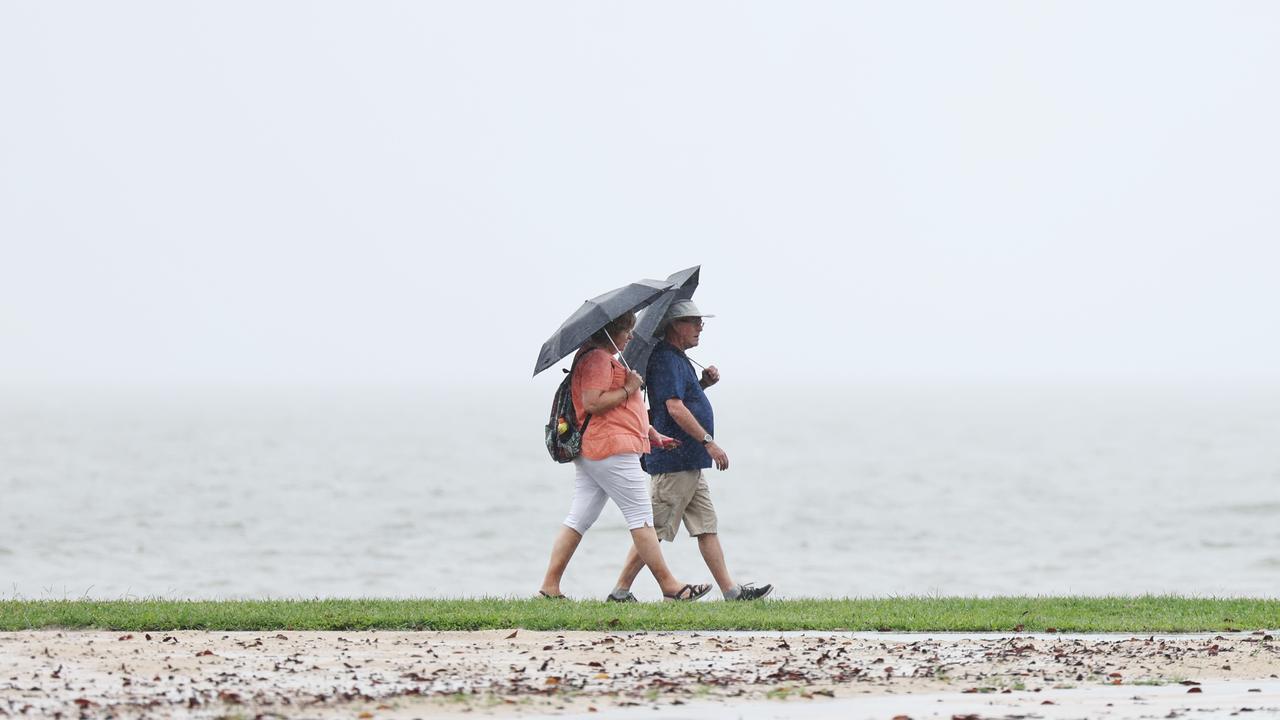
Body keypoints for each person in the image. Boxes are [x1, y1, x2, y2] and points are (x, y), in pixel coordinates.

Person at [538, 310, 712, 602]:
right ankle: (670, 586)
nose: (631, 336)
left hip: (600, 449)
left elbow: (620, 410)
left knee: (579, 517)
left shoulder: (600, 358)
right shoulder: (596, 359)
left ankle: (549, 586)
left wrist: (651, 433)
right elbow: (593, 403)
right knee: (642, 519)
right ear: (610, 331)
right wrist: (629, 387)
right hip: (612, 451)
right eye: (626, 330)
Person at [607, 300, 773, 602]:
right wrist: (709, 441)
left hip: (690, 462)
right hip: (675, 460)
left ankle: (731, 591)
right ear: (674, 325)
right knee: (655, 529)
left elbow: (680, 398)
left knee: (706, 527)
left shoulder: (678, 358)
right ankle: (620, 591)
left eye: (701, 322)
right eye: (693, 321)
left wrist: (703, 385)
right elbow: (673, 407)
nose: (700, 327)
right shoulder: (666, 359)